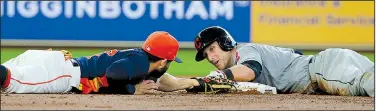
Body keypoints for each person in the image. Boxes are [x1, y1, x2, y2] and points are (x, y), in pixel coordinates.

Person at [156, 26, 374, 97]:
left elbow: (251, 71)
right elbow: (293, 53)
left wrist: (216, 77)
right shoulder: (245, 54)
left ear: (225, 42)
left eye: (212, 49)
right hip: (326, 65)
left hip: (324, 68)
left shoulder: (244, 51)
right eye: (206, 55)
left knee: (365, 85)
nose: (211, 57)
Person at [0, 31, 182, 95]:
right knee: (10, 81)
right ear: (162, 62)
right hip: (63, 74)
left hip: (55, 61)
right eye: (170, 62)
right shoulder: (140, 63)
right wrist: (133, 90)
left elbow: (161, 79)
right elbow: (114, 73)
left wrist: (191, 83)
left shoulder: (137, 58)